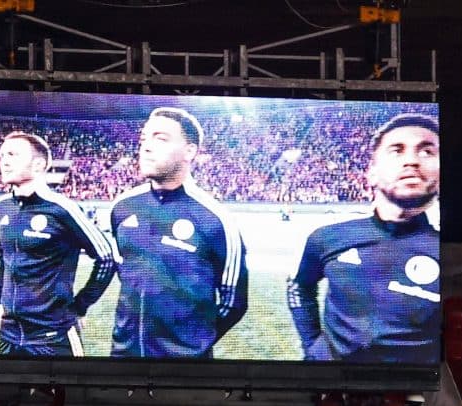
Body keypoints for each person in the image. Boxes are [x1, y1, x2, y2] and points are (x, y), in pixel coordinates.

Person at [287, 113, 442, 364]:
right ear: (371, 174)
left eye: (427, 152)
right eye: (397, 150)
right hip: (332, 390)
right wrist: (312, 345)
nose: (412, 161)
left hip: (414, 394)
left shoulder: (453, 254)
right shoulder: (328, 237)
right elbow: (298, 286)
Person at [108, 107, 249, 359]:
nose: (146, 147)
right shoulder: (123, 207)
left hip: (186, 372)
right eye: (144, 139)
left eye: (160, 138)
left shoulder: (216, 219)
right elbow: (126, 273)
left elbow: (233, 302)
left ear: (189, 151)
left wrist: (191, 344)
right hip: (122, 359)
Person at [0, 130, 117, 357]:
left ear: (38, 165)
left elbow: (106, 258)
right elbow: (3, 258)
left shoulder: (62, 208)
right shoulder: (2, 207)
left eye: (12, 154)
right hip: (9, 334)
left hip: (53, 337)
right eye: (1, 155)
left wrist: (79, 306)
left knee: (70, 393)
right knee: (4, 393)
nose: (4, 161)